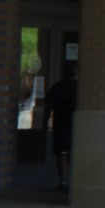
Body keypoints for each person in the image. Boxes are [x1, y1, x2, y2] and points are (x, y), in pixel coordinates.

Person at [43, 61, 78, 192]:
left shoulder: (57, 87)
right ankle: (73, 181)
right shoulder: (79, 88)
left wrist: (44, 122)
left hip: (61, 125)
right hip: (75, 126)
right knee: (73, 152)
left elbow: (49, 107)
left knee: (62, 153)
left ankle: (63, 181)